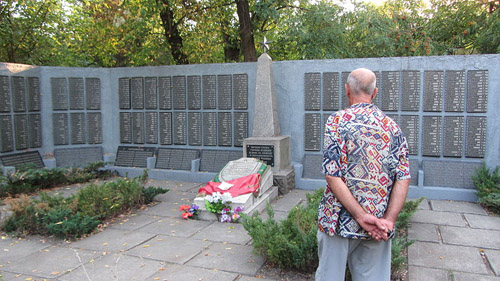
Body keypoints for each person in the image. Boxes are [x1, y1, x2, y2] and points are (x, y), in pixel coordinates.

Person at [315, 68, 411, 281]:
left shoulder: (337, 121)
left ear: (347, 90)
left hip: (338, 222)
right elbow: (403, 178)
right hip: (378, 225)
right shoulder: (393, 128)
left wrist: (359, 216)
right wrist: (388, 221)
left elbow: (332, 174)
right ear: (374, 92)